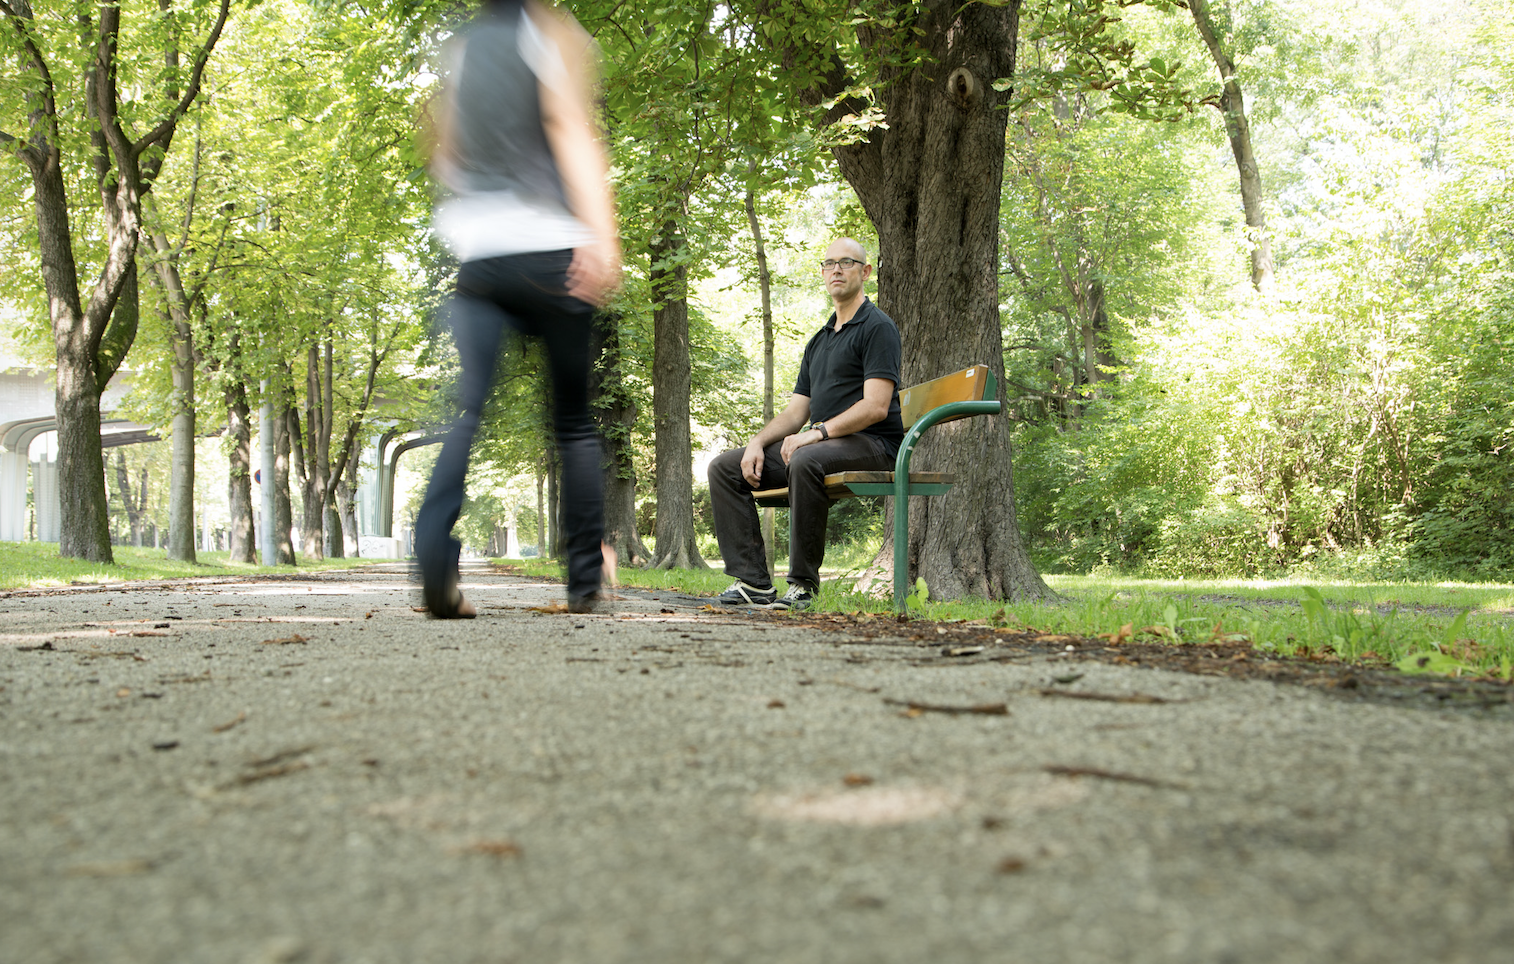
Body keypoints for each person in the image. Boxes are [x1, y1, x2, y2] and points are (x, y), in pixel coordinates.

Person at [415, 0, 620, 618]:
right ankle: (586, 578)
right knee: (573, 421)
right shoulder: (552, 31)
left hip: (480, 253)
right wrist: (601, 233)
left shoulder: (463, 43)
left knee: (467, 408)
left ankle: (432, 556)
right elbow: (565, 126)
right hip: (550, 247)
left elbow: (444, 144)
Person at [707, 238, 903, 611]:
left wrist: (817, 433)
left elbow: (877, 407)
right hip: (826, 445)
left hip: (874, 445)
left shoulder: (877, 327)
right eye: (829, 264)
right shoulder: (820, 341)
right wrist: (755, 442)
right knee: (724, 468)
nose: (836, 270)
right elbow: (796, 413)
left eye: (846, 263)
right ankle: (753, 582)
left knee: (805, 458)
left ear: (865, 272)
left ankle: (802, 585)